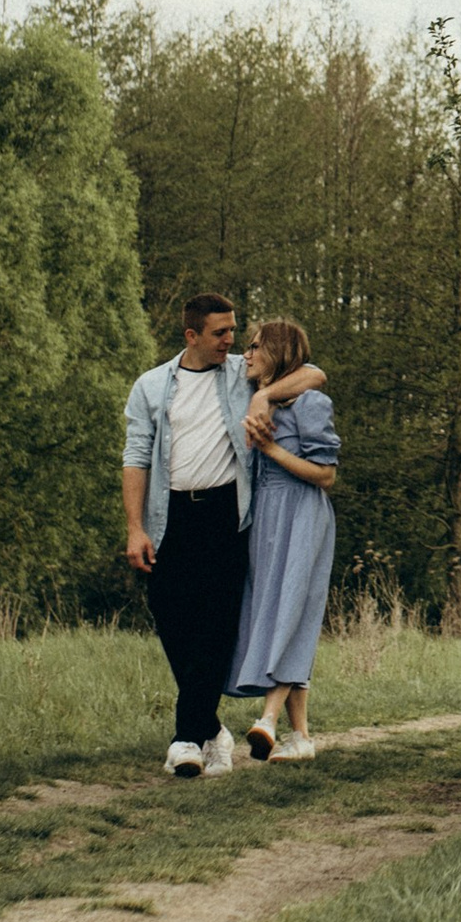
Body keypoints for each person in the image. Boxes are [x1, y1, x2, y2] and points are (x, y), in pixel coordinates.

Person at [120, 295, 322, 777]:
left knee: (213, 630)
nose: (231, 341)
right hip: (169, 519)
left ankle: (186, 740)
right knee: (173, 625)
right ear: (191, 336)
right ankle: (211, 728)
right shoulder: (151, 386)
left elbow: (314, 374)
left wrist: (263, 396)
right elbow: (136, 457)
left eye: (234, 332)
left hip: (225, 518)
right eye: (220, 334)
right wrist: (134, 528)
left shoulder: (240, 374)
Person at [233, 315, 340, 758]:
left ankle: (268, 718)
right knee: (274, 609)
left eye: (257, 346)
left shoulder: (310, 403)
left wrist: (272, 449)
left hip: (302, 512)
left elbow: (327, 474)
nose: (248, 354)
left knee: (292, 608)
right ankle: (301, 738)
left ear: (276, 352)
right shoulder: (255, 397)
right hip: (265, 518)